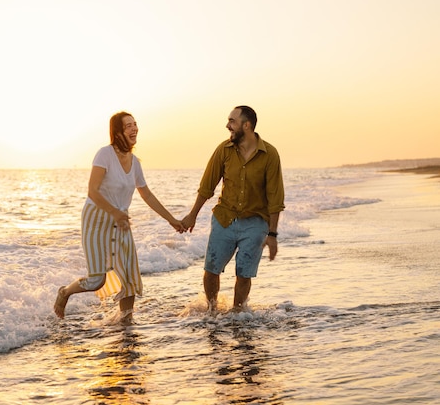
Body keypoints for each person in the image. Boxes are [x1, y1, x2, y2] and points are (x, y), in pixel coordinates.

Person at [54, 111, 185, 324]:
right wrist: (115, 212)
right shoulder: (104, 154)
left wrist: (171, 219)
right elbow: (92, 191)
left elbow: (147, 194)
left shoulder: (135, 163)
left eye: (135, 125)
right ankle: (65, 292)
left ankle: (126, 324)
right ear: (117, 132)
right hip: (96, 219)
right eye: (128, 126)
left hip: (121, 222)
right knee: (97, 280)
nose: (134, 129)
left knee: (130, 278)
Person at [182, 105, 285, 313]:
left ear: (246, 126)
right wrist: (192, 215)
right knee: (211, 270)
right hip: (224, 218)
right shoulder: (224, 149)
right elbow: (207, 186)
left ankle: (237, 314)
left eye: (232, 121)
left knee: (244, 274)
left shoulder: (270, 154)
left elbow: (276, 198)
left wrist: (272, 234)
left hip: (255, 223)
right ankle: (211, 311)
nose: (227, 125)